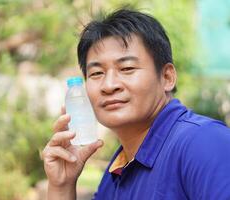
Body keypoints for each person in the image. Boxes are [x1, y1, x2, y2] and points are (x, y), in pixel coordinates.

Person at [42, 8, 230, 200]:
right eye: (97, 73)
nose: (109, 85)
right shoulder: (117, 171)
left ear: (167, 77)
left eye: (127, 68)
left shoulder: (203, 142)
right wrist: (62, 185)